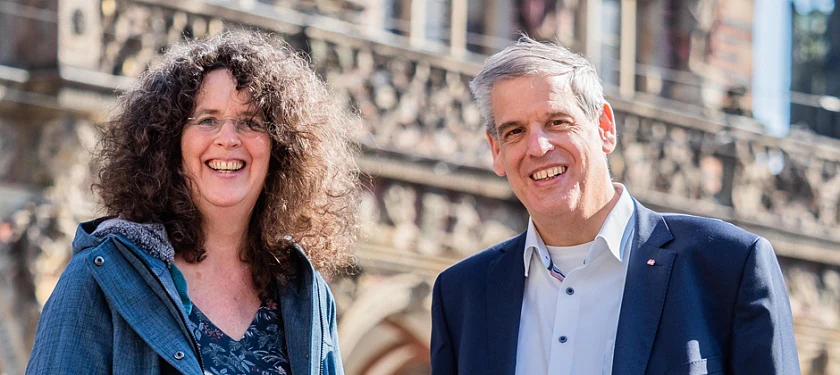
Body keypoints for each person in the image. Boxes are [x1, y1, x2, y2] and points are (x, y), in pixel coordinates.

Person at [430, 36, 800, 375]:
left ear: (605, 127)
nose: (538, 147)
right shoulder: (462, 294)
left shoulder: (727, 264)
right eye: (515, 131)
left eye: (558, 121)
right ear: (496, 152)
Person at [26, 31, 359, 375]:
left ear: (281, 148)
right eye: (207, 120)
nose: (228, 139)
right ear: (170, 143)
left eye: (250, 123)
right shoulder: (99, 279)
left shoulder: (307, 295)